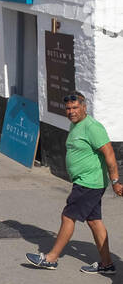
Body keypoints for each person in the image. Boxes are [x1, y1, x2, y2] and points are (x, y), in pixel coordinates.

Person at [26, 92, 123, 271]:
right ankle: (107, 264)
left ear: (84, 107)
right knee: (94, 221)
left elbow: (109, 153)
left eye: (75, 108)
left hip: (89, 183)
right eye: (68, 108)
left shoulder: (92, 127)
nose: (71, 111)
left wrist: (115, 180)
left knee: (68, 216)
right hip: (85, 182)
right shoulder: (75, 125)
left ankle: (51, 258)